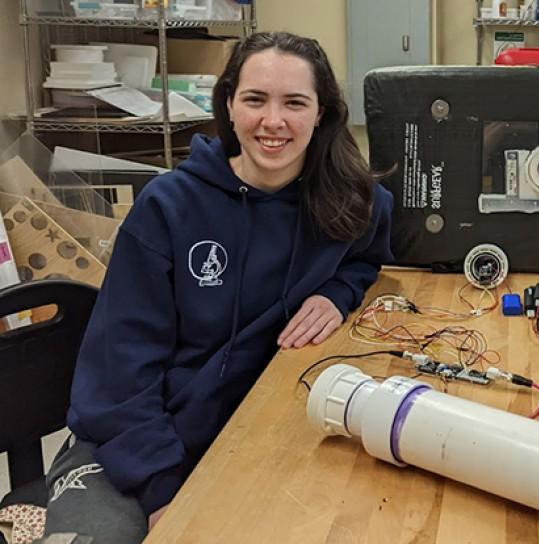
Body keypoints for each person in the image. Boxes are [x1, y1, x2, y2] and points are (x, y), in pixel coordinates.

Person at [42, 32, 393, 542]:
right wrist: (163, 493)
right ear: (228, 106)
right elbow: (119, 377)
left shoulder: (350, 203)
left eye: (294, 103)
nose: (273, 121)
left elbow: (371, 259)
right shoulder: (169, 207)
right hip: (133, 437)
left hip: (250, 432)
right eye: (255, 100)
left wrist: (336, 293)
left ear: (322, 114)